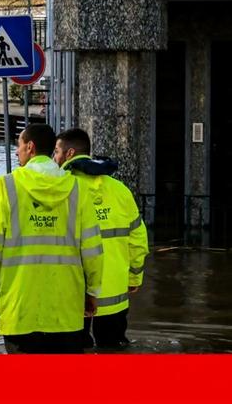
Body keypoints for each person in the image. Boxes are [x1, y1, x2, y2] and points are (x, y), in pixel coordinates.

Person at [0, 123, 104, 354]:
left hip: (20, 307)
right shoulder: (76, 188)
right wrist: (92, 292)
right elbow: (93, 249)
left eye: (19, 146)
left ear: (30, 148)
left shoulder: (6, 187)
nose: (17, 152)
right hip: (66, 307)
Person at [54, 128, 149, 349]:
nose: (54, 157)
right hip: (115, 293)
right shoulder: (120, 190)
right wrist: (134, 277)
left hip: (73, 292)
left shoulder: (61, 189)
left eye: (57, 151)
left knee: (75, 352)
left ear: (69, 154)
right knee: (113, 351)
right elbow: (138, 239)